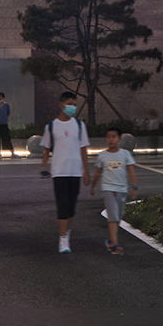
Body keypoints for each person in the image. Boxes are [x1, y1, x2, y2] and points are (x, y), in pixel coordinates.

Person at [40, 92, 89, 254]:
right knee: (62, 205)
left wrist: (86, 172)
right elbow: (46, 149)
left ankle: (66, 233)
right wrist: (43, 167)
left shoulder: (80, 126)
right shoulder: (51, 127)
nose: (72, 107)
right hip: (59, 172)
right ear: (61, 105)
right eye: (69, 104)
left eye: (74, 104)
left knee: (71, 207)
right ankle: (62, 240)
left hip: (75, 172)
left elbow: (83, 150)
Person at [90, 127, 138, 257]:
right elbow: (98, 172)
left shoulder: (125, 154)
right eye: (108, 137)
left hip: (122, 189)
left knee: (118, 216)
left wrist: (134, 187)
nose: (111, 139)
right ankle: (115, 243)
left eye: (114, 137)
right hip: (108, 188)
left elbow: (131, 171)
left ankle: (111, 239)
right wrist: (93, 186)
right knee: (112, 215)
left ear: (119, 139)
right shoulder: (102, 155)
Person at [0, 91, 14, 158]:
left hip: (4, 123)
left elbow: (8, 113)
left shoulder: (6, 105)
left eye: (1, 97)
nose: (0, 98)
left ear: (3, 97)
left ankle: (12, 151)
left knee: (6, 138)